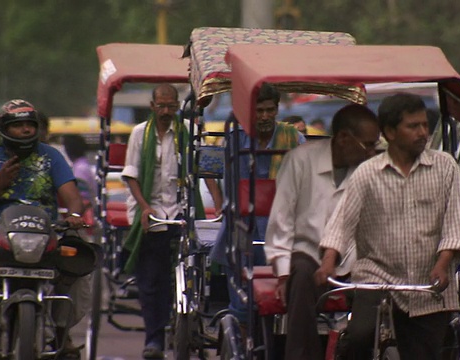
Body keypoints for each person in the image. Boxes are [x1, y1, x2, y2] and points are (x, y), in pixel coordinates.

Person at [318, 93, 460, 359]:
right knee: (359, 338)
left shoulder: (445, 167)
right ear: (389, 132)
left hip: (429, 282)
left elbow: (456, 225)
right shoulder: (367, 173)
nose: (423, 132)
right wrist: (329, 259)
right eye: (413, 126)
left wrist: (443, 264)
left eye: (424, 125)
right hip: (376, 276)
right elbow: (341, 222)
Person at [0, 99, 87, 359]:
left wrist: (75, 214)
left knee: (78, 265)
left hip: (46, 233)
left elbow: (71, 196)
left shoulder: (52, 157)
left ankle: (61, 334)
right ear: (4, 129)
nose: (25, 130)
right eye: (18, 125)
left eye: (29, 124)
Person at [265, 104, 380, 360]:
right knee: (302, 275)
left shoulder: (371, 168)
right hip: (308, 254)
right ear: (343, 139)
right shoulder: (300, 160)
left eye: (376, 146)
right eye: (367, 145)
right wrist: (283, 275)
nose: (372, 152)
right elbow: (281, 221)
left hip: (356, 259)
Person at [209, 83, 306, 327]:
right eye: (259, 110)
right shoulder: (235, 139)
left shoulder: (294, 138)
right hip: (244, 229)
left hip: (284, 228)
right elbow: (230, 189)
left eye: (269, 110)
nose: (264, 116)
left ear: (277, 110)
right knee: (244, 307)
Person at [122, 83, 185, 359]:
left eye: (171, 106)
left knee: (189, 272)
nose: (166, 111)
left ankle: (185, 323)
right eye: (161, 106)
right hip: (151, 211)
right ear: (152, 106)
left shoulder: (187, 133)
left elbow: (202, 172)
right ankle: (154, 338)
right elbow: (131, 175)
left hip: (180, 211)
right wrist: (145, 208)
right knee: (152, 279)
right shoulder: (139, 134)